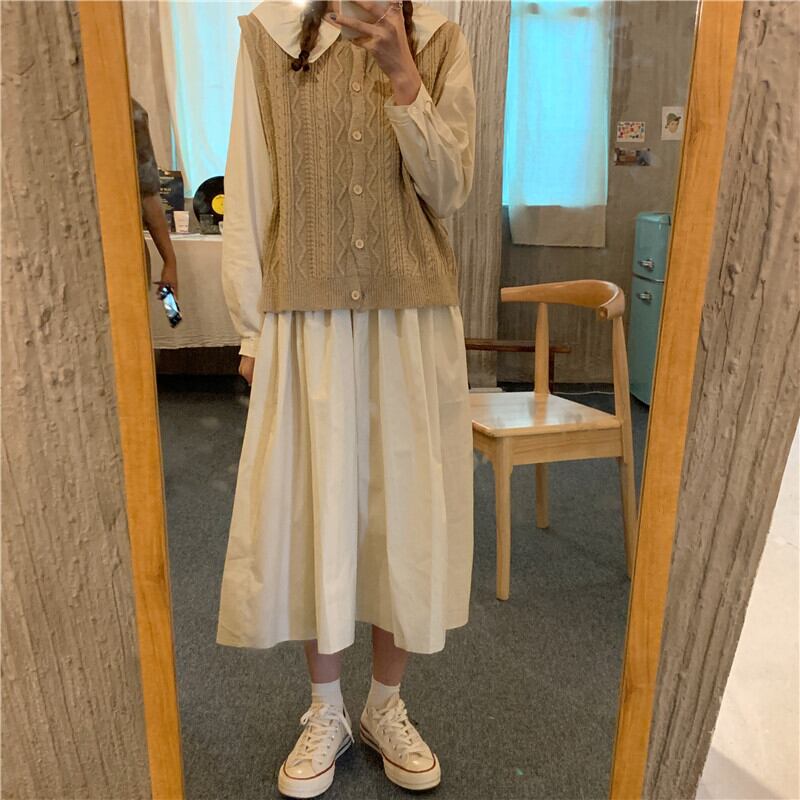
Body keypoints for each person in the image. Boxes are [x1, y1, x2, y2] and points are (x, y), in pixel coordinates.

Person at [216, 1, 476, 796]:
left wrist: (403, 75)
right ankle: (324, 707)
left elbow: (450, 189)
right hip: (309, 317)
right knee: (318, 508)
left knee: (403, 513)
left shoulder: (438, 40)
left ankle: (385, 704)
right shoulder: (266, 37)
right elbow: (250, 190)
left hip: (410, 317)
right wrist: (251, 329)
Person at [131, 96, 178, 298]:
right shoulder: (130, 112)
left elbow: (148, 192)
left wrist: (170, 263)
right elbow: (148, 194)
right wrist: (170, 262)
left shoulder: (129, 111)